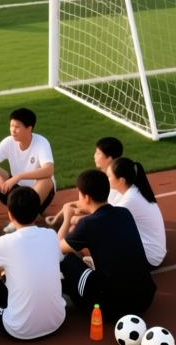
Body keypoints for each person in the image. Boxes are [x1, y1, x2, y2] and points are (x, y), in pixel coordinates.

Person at [0, 187, 66, 341]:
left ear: (10, 215)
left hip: (19, 329)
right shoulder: (51, 235)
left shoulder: (6, 242)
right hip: (57, 321)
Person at [59, 169, 156, 318]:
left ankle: (69, 294)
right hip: (145, 300)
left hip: (109, 308)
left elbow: (57, 248)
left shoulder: (87, 224)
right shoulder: (124, 213)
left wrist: (66, 218)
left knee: (66, 260)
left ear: (86, 197)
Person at [0, 107, 55, 234]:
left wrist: (18, 177)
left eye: (17, 126)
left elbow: (49, 170)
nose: (13, 130)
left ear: (29, 128)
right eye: (11, 126)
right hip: (15, 193)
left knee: (47, 181)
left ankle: (20, 220)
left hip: (37, 195)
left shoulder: (41, 142)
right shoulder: (9, 141)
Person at [45, 136, 123, 233]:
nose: (94, 156)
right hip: (105, 212)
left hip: (107, 217)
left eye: (98, 153)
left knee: (73, 225)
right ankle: (55, 224)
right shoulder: (107, 176)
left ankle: (59, 232)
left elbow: (105, 209)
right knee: (69, 207)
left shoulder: (111, 181)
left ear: (109, 158)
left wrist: (76, 215)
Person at [107, 158, 166, 268]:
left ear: (121, 180)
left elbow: (105, 220)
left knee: (104, 235)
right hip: (152, 251)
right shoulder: (133, 189)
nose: (107, 179)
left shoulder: (130, 200)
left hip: (150, 258)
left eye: (109, 176)